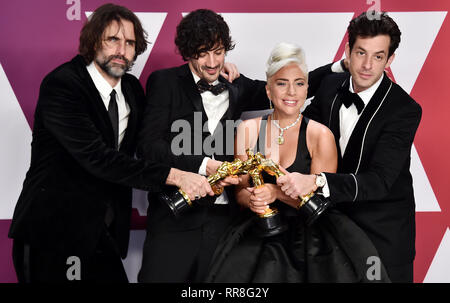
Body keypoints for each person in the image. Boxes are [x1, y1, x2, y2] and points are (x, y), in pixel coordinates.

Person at [8, 3, 213, 283]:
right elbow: (97, 157)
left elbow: (152, 143)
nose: (122, 50)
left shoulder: (130, 90)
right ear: (93, 42)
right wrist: (177, 177)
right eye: (113, 39)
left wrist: (210, 75)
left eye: (130, 42)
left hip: (101, 235)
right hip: (53, 234)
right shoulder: (63, 85)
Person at [205, 42, 390, 283]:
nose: (291, 92)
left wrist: (274, 192)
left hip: (311, 239)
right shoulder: (248, 130)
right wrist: (252, 199)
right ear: (269, 91)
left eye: (299, 84)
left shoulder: (320, 135)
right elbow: (240, 190)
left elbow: (320, 200)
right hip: (257, 234)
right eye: (282, 83)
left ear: (306, 91)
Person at [277, 12, 422, 283]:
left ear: (390, 60)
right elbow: (301, 134)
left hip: (381, 235)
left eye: (378, 56)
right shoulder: (330, 87)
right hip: (330, 228)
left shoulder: (404, 110)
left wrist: (316, 182)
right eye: (360, 53)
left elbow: (379, 181)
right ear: (347, 52)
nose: (367, 65)